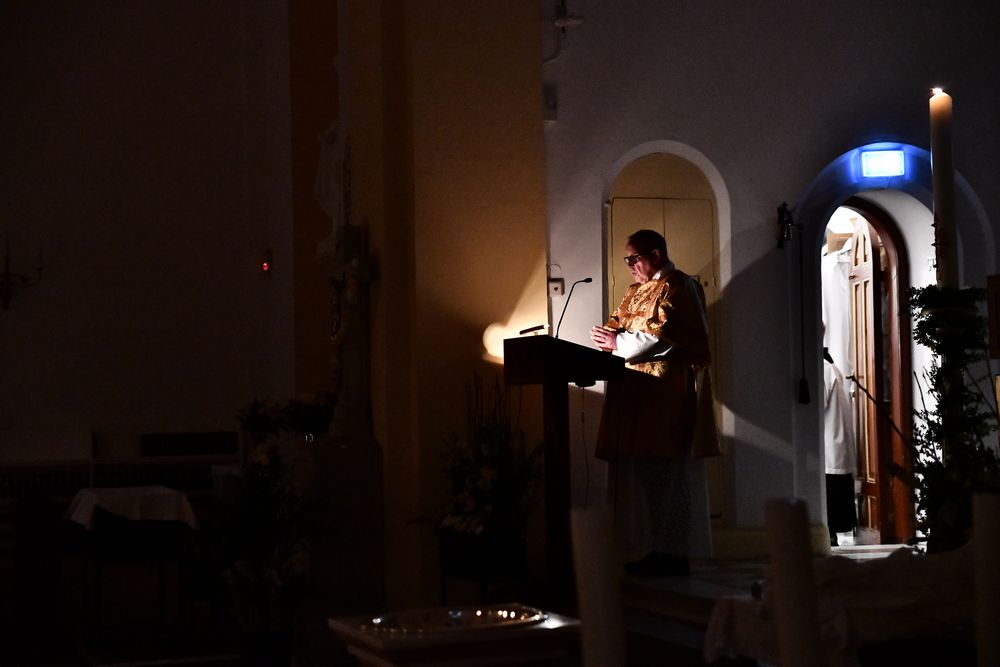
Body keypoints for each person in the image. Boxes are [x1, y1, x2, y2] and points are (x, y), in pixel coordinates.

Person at [589, 229, 712, 576]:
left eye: (634, 258)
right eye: (627, 259)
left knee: (667, 475)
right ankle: (645, 547)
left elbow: (664, 337)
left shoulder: (679, 286)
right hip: (634, 394)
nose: (629, 265)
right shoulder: (634, 292)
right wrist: (606, 337)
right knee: (640, 475)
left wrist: (617, 343)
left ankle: (673, 553)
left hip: (664, 394)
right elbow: (616, 326)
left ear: (656, 254)